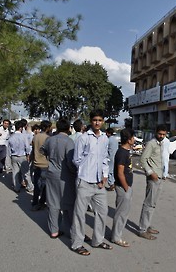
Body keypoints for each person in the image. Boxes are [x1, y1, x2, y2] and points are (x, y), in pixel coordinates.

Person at [70, 109, 113, 256]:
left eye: (100, 120)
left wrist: (105, 175)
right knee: (79, 214)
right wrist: (86, 169)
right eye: (95, 120)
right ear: (91, 121)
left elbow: (105, 159)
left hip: (99, 183)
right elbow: (76, 159)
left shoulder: (105, 139)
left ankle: (98, 240)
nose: (97, 123)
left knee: (102, 211)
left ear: (103, 121)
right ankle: (77, 244)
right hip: (84, 181)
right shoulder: (83, 138)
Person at [41, 118, 77, 239]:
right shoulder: (69, 142)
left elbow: (42, 150)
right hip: (65, 175)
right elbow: (70, 162)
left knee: (53, 202)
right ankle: (70, 229)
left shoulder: (49, 140)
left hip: (51, 173)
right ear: (68, 128)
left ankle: (54, 230)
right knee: (68, 203)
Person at [137, 124, 167, 240]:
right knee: (148, 203)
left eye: (164, 134)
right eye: (160, 134)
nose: (162, 136)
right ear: (156, 132)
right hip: (153, 177)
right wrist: (151, 172)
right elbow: (143, 159)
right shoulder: (151, 143)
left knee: (153, 204)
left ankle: (147, 225)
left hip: (160, 176)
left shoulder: (162, 144)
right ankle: (142, 229)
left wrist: (164, 174)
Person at [110, 128, 135, 247]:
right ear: (129, 140)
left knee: (124, 213)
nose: (134, 140)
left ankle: (116, 235)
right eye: (133, 138)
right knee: (121, 214)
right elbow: (120, 172)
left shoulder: (126, 151)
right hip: (123, 187)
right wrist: (126, 188)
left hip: (126, 186)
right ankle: (116, 237)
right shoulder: (121, 153)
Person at [31, 120, 52, 211]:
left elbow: (33, 149)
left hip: (36, 164)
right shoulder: (48, 138)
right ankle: (42, 202)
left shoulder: (35, 137)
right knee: (45, 186)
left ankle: (35, 203)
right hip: (45, 164)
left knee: (37, 185)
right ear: (48, 128)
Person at [8, 120, 34, 193]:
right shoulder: (24, 136)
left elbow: (8, 149)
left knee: (15, 172)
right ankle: (30, 187)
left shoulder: (11, 137)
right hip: (22, 156)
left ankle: (17, 187)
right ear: (21, 128)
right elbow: (27, 147)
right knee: (26, 173)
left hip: (14, 156)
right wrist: (28, 155)